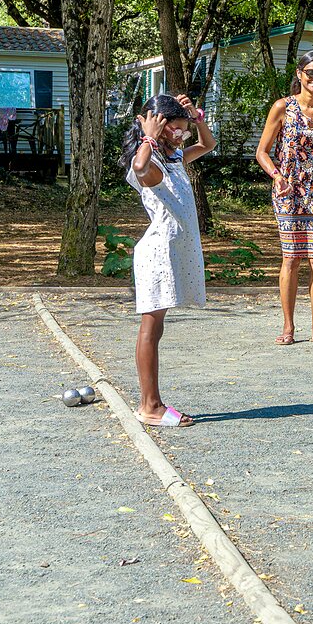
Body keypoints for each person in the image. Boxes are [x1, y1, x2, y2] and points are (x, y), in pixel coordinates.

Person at [122, 93, 216, 427]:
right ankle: (150, 406)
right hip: (157, 254)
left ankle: (152, 403)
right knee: (150, 327)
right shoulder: (150, 164)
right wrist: (147, 136)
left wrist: (196, 119)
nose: (181, 135)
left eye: (182, 129)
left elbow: (207, 144)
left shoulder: (173, 158)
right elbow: (139, 167)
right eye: (175, 129)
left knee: (156, 327)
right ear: (156, 127)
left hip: (173, 251)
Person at [255, 50, 313, 345]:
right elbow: (262, 152)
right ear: (299, 74)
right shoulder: (283, 107)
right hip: (289, 190)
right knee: (291, 258)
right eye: (310, 72)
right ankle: (288, 327)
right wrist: (276, 175)